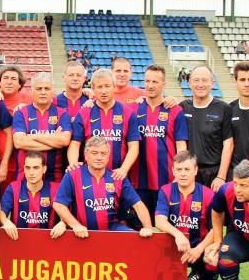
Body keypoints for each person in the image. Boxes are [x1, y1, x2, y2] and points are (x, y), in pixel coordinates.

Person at [54, 136, 154, 237]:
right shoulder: (72, 175)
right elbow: (59, 205)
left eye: (103, 153)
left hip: (112, 228)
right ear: (85, 155)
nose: (99, 157)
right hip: (82, 230)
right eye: (94, 153)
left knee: (134, 239)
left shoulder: (117, 177)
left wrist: (148, 228)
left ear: (108, 156)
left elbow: (138, 205)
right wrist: (76, 225)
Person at [154, 151, 217, 280]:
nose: (182, 174)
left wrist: (199, 249)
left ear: (195, 171)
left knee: (213, 258)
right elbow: (159, 221)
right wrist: (178, 235)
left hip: (199, 246)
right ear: (173, 171)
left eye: (187, 169)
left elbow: (216, 229)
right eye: (179, 170)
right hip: (175, 245)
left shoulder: (208, 195)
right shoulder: (166, 190)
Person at [129, 65, 188, 216]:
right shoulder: (133, 109)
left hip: (166, 179)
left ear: (164, 84)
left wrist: (179, 173)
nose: (150, 85)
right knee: (140, 228)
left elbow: (181, 146)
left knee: (166, 226)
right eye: (147, 81)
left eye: (155, 82)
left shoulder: (175, 110)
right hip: (138, 180)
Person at [67, 69, 139, 177]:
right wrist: (73, 163)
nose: (103, 91)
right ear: (93, 89)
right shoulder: (84, 112)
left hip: (118, 175)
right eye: (100, 87)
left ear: (114, 86)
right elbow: (75, 144)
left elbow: (134, 146)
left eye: (107, 86)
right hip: (90, 176)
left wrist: (123, 169)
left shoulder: (127, 112)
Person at [12, 73, 72, 184]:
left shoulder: (62, 114)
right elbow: (19, 142)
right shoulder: (21, 112)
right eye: (39, 89)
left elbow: (64, 140)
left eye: (47, 88)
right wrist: (53, 140)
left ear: (53, 91)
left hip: (54, 177)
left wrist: (32, 136)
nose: (43, 92)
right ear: (32, 90)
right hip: (25, 178)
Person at [180, 65, 233, 190]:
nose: (200, 84)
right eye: (196, 80)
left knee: (215, 209)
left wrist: (221, 176)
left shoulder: (224, 108)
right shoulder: (182, 107)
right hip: (191, 172)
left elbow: (228, 144)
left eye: (205, 80)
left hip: (214, 173)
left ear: (212, 83)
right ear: (189, 82)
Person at [0, 150, 67, 239]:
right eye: (28, 168)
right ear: (24, 169)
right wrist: (5, 222)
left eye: (36, 168)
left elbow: (70, 212)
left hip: (49, 241)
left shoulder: (56, 189)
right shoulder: (14, 187)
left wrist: (63, 223)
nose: (31, 172)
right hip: (19, 241)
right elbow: (1, 212)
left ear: (44, 169)